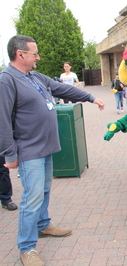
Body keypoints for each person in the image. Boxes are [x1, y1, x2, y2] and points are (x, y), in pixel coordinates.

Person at [0, 35, 105, 266]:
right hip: (29, 151)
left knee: (44, 191)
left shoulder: (35, 76)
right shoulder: (7, 80)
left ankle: (43, 225)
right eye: (34, 53)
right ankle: (27, 248)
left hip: (46, 147)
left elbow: (61, 89)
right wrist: (9, 154)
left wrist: (91, 97)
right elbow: (2, 119)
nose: (38, 57)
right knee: (31, 198)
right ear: (20, 54)